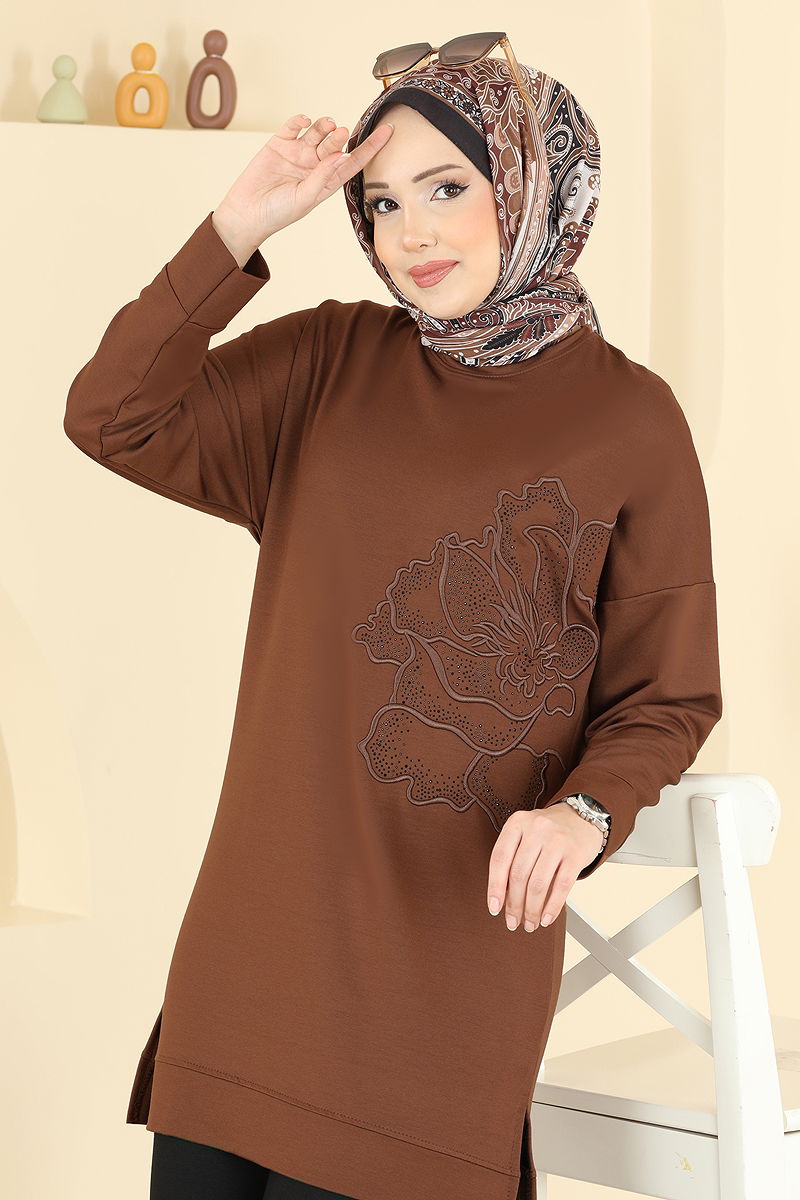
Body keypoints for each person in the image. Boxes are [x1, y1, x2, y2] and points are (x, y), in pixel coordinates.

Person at [63, 49, 723, 1200]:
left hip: (436, 995)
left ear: (527, 182)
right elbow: (111, 415)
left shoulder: (630, 422)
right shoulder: (327, 364)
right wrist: (236, 227)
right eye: (380, 202)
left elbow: (665, 697)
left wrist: (583, 811)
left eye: (447, 187)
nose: (410, 231)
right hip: (252, 965)